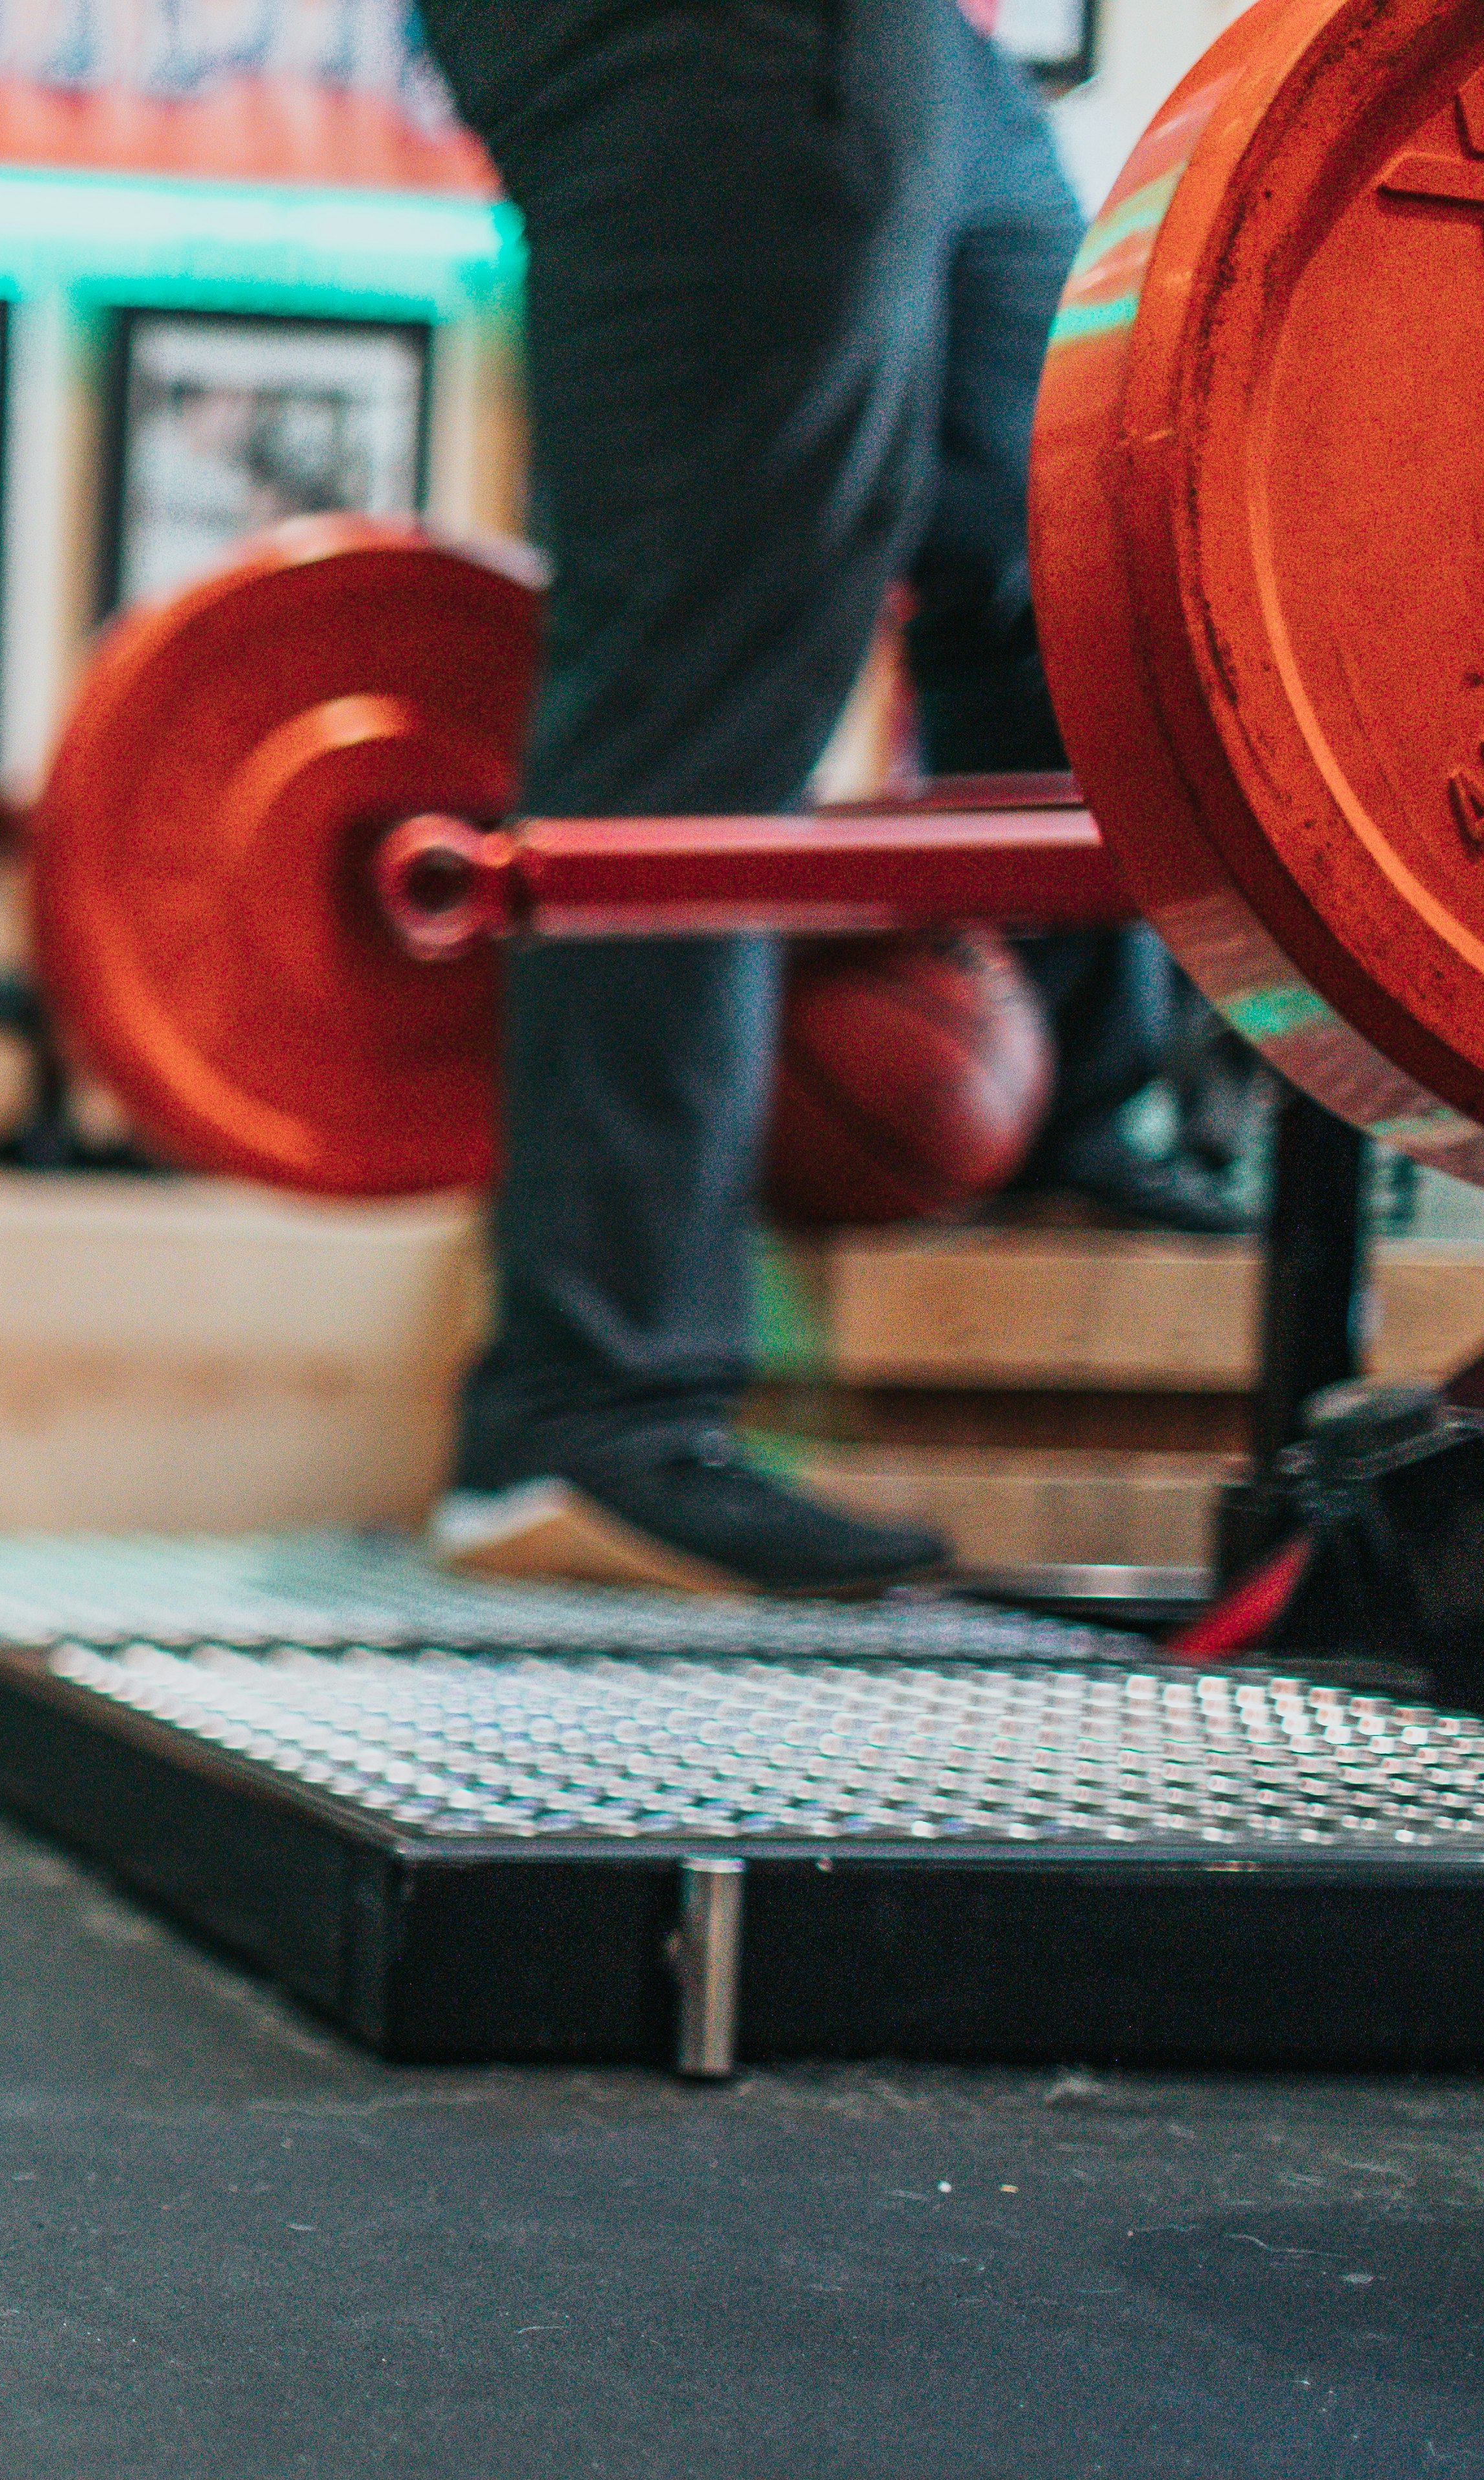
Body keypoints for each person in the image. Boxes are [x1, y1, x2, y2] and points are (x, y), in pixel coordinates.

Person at [408, 0, 1239, 1598]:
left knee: (1072, 544)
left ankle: (1066, 1103)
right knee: (708, 660)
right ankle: (589, 1403)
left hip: (924, 43)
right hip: (725, 33)